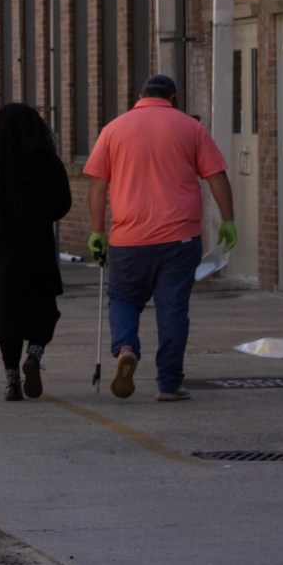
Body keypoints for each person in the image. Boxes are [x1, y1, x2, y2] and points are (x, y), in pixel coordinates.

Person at [84, 73, 237, 401]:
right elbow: (216, 176)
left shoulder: (114, 129)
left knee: (124, 298)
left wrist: (97, 230)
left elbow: (97, 185)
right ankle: (168, 384)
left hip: (128, 238)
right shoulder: (190, 127)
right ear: (174, 97)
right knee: (173, 309)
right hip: (180, 239)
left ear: (139, 97)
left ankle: (126, 347)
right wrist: (228, 221)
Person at [0, 104, 73, 401]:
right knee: (43, 308)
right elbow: (63, 203)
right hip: (36, 246)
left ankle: (11, 378)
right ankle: (34, 355)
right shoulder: (46, 160)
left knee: (5, 315)